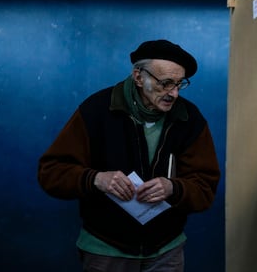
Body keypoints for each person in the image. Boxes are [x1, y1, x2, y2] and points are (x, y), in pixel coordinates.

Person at [38, 39, 221, 272]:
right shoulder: (97, 110)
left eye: (179, 84)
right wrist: (96, 179)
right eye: (165, 83)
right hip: (106, 249)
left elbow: (205, 187)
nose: (173, 93)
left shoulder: (189, 118)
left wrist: (173, 187)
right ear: (138, 77)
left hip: (167, 250)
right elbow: (50, 172)